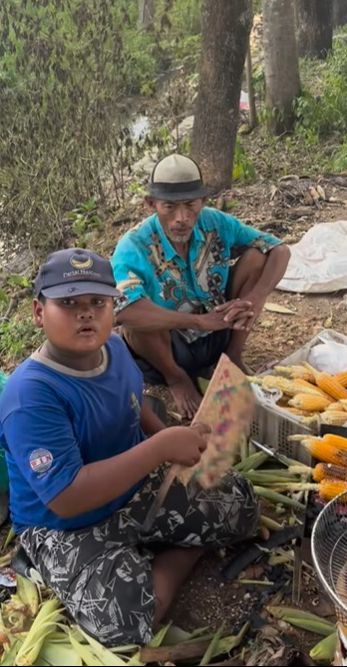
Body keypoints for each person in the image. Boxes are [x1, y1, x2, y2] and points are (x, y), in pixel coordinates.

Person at [0, 248, 259, 647]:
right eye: (68, 303)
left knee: (242, 507)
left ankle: (153, 546)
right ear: (39, 312)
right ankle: (170, 549)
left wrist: (164, 442)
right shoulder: (30, 396)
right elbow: (67, 497)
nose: (85, 313)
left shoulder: (116, 349)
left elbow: (133, 407)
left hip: (133, 485)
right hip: (64, 524)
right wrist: (160, 449)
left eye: (97, 302)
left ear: (113, 309)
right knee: (125, 622)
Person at [111, 153, 290, 419]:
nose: (182, 217)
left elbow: (279, 250)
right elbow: (123, 312)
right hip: (167, 349)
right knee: (136, 319)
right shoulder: (134, 245)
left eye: (190, 205)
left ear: (203, 201)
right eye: (169, 207)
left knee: (256, 258)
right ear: (151, 204)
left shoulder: (216, 223)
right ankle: (177, 380)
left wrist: (251, 300)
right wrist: (199, 322)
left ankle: (231, 357)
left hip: (220, 328)